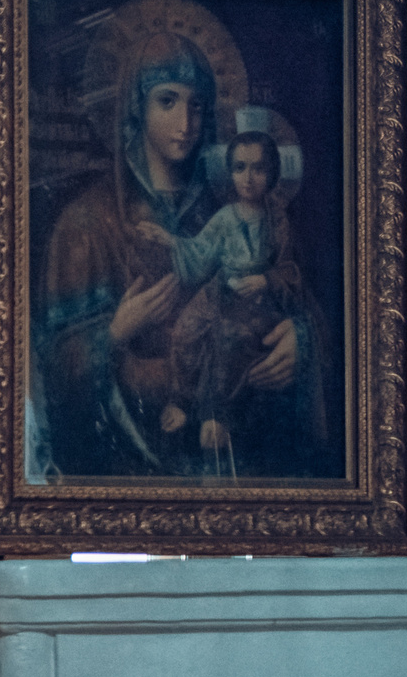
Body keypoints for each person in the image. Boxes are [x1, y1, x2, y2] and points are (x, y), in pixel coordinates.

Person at [35, 22, 302, 478]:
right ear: (136, 106)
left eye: (197, 107)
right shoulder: (85, 224)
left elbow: (283, 293)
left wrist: (300, 339)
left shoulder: (231, 212)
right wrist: (114, 332)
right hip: (127, 474)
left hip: (227, 465)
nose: (185, 124)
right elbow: (50, 368)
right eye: (167, 101)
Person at [134, 129, 324, 476]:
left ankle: (219, 415)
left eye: (258, 168)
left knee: (232, 340)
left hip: (260, 300)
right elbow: (200, 252)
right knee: (187, 329)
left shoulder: (278, 221)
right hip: (220, 290)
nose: (248, 179)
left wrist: (266, 279)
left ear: (273, 173)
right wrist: (169, 240)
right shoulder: (225, 217)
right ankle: (184, 399)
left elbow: (292, 270)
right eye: (239, 168)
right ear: (229, 172)